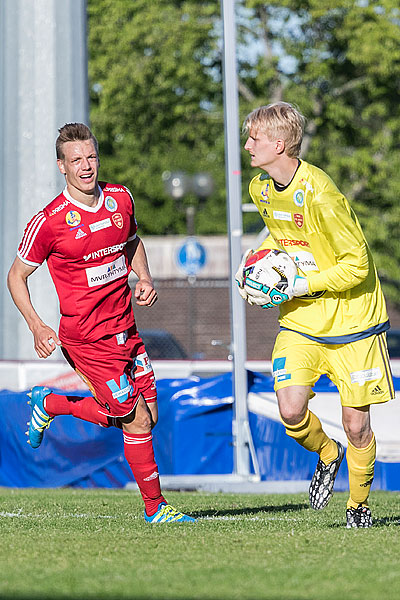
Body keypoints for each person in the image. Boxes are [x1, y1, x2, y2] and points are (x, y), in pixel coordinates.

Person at [7, 122, 195, 524]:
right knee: (137, 419)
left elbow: (132, 243)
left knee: (149, 416)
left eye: (91, 157)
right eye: (77, 160)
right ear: (62, 166)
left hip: (126, 329)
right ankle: (155, 509)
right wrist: (38, 326)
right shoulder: (50, 221)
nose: (86, 166)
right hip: (88, 340)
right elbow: (15, 276)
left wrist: (143, 278)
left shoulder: (120, 198)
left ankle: (51, 403)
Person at [236, 102, 394, 528]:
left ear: (280, 144)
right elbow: (284, 232)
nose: (247, 145)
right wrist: (256, 259)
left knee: (356, 425)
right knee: (290, 410)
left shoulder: (321, 192)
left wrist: (302, 283)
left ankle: (357, 507)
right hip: (302, 321)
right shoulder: (260, 189)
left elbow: (357, 264)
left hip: (354, 325)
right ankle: (327, 452)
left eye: (255, 138)